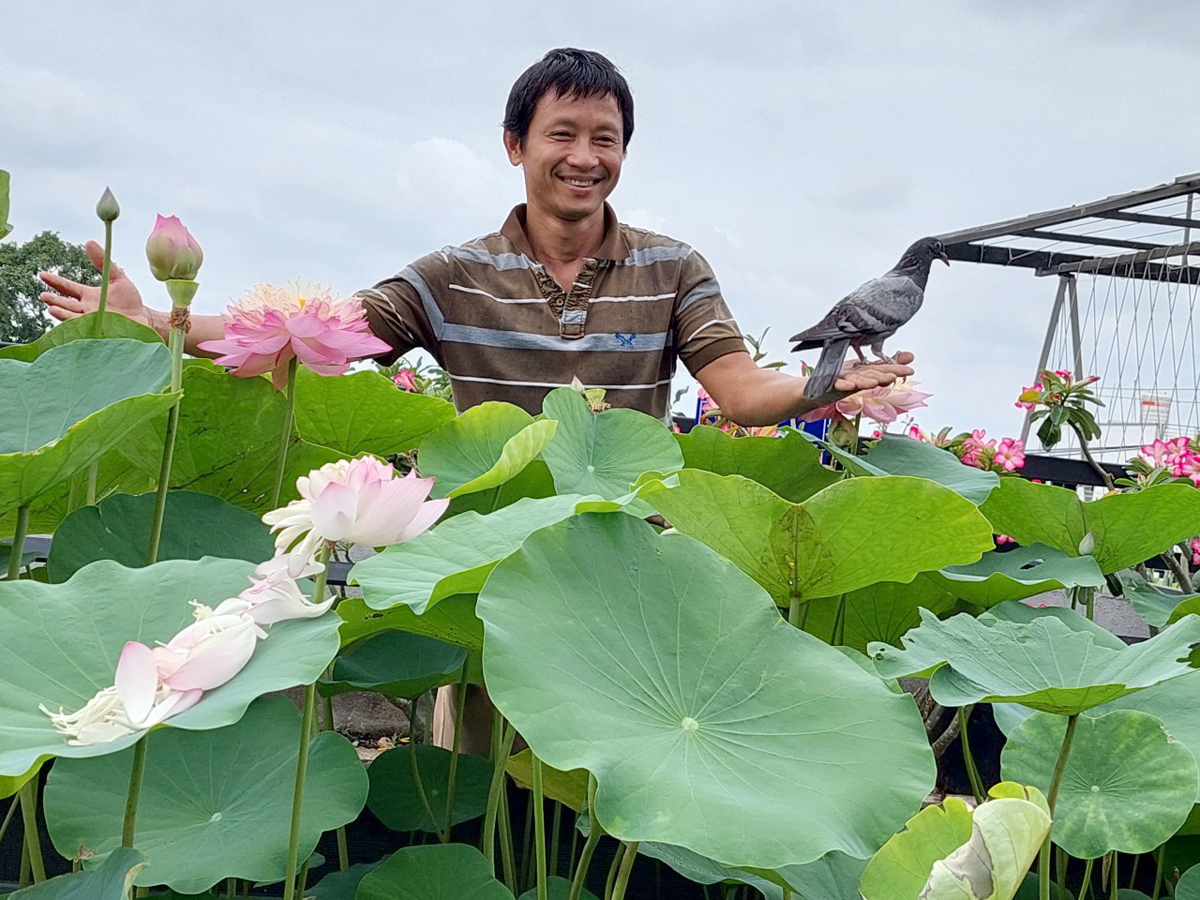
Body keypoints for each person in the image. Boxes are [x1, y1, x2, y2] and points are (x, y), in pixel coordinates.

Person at [38, 48, 914, 751]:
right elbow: (326, 329)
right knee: (484, 765)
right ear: (515, 144)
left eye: (604, 139)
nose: (584, 157)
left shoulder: (675, 267)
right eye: (562, 133)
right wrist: (166, 316)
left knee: (631, 746)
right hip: (487, 551)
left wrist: (824, 381)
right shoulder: (454, 273)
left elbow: (737, 386)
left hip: (630, 550)